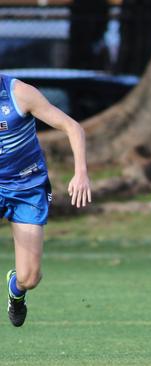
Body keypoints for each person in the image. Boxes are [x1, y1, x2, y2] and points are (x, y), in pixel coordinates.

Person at [0, 74, 91, 327]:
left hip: (27, 187)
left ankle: (15, 290)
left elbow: (73, 127)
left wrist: (81, 173)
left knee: (29, 278)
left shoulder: (20, 94)